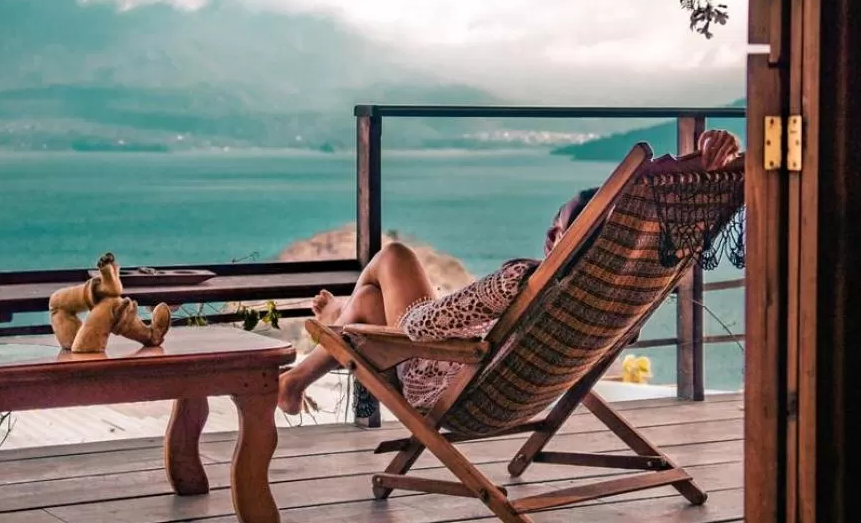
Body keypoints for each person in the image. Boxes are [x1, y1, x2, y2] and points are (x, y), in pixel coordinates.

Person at [277, 130, 743, 414]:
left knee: (394, 256)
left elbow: (417, 325)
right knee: (369, 302)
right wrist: (711, 156)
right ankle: (318, 352)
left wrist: (452, 302)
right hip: (521, 389)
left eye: (558, 223)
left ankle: (337, 322)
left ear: (569, 237)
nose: (548, 229)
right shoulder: (602, 290)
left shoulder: (523, 279)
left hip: (438, 378)